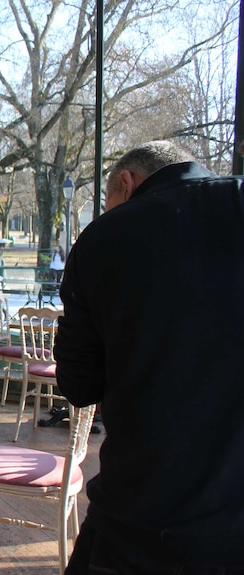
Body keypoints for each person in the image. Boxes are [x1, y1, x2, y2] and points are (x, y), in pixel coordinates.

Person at [55, 140, 244, 573]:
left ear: (127, 182)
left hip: (141, 513)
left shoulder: (106, 236)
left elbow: (78, 385)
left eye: (108, 200)